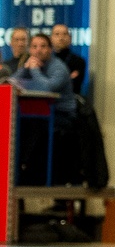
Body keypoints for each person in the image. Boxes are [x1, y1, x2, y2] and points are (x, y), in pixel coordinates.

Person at [13, 34, 78, 185]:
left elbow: (47, 88)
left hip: (63, 115)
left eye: (43, 46)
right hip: (38, 113)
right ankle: (20, 173)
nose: (38, 50)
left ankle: (31, 173)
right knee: (17, 127)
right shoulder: (31, 64)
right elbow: (12, 83)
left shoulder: (58, 67)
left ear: (50, 49)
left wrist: (34, 70)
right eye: (34, 47)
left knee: (35, 128)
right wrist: (24, 69)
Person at [50, 23, 86, 94]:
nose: (61, 38)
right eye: (57, 34)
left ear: (70, 38)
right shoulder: (46, 60)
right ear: (51, 39)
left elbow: (73, 84)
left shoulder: (78, 61)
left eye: (65, 34)